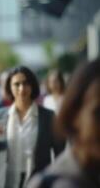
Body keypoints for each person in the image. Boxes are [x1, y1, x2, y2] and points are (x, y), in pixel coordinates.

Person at [0, 66, 65, 188]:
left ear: (33, 85)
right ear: (9, 87)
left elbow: (60, 153)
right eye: (16, 84)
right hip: (6, 181)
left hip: (38, 182)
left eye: (26, 83)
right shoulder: (0, 115)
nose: (21, 88)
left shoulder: (48, 116)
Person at [27, 59, 100, 188]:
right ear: (73, 115)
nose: (54, 84)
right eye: (98, 113)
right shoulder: (50, 183)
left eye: (56, 80)